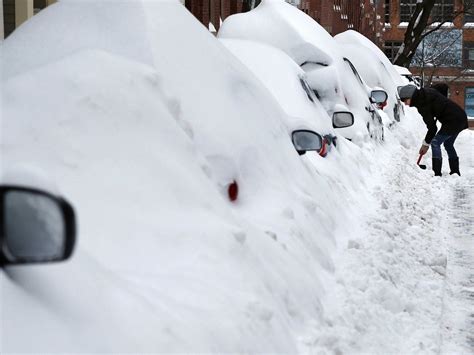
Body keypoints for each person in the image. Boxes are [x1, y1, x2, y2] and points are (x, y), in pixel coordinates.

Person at [398, 84, 468, 176]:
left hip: (452, 121)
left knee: (435, 142)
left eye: (404, 100)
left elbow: (432, 128)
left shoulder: (423, 104)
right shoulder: (427, 92)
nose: (405, 104)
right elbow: (443, 87)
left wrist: (425, 144)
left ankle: (437, 173)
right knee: (448, 144)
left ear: (411, 96)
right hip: (461, 116)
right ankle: (455, 171)